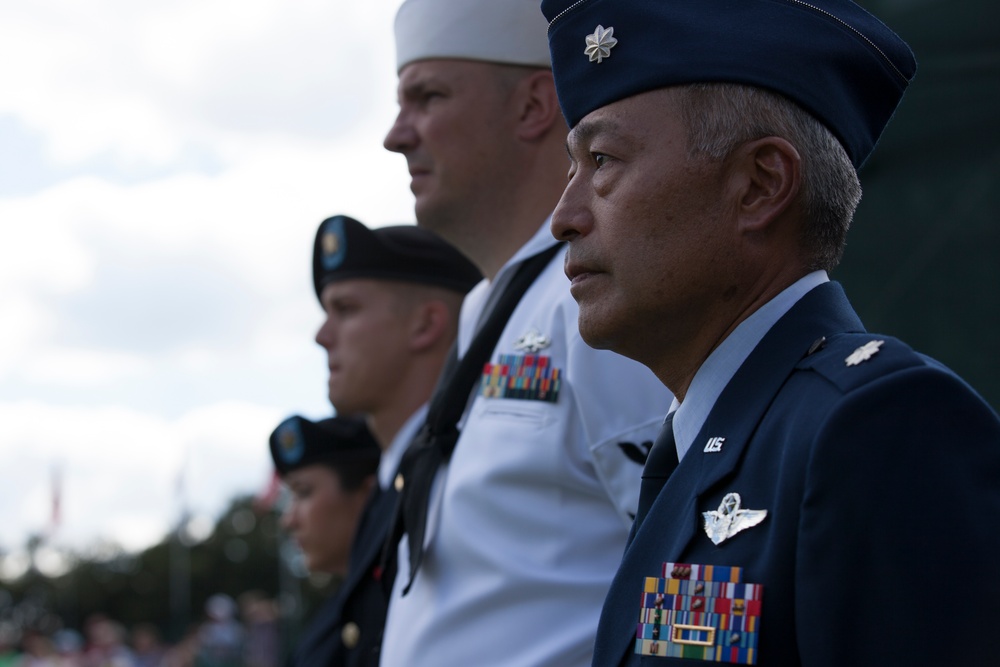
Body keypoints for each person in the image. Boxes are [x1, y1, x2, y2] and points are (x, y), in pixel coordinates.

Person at [541, 0, 1000, 664]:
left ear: (760, 185)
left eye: (604, 159)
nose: (564, 215)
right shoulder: (705, 448)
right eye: (570, 168)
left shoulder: (877, 426)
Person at [379, 1, 673, 664]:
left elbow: (683, 559)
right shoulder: (495, 302)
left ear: (534, 105)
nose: (397, 134)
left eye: (427, 96)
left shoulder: (594, 302)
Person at [288, 214, 481, 666]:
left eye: (346, 309)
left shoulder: (472, 467)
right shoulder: (395, 483)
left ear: (425, 323)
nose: (321, 336)